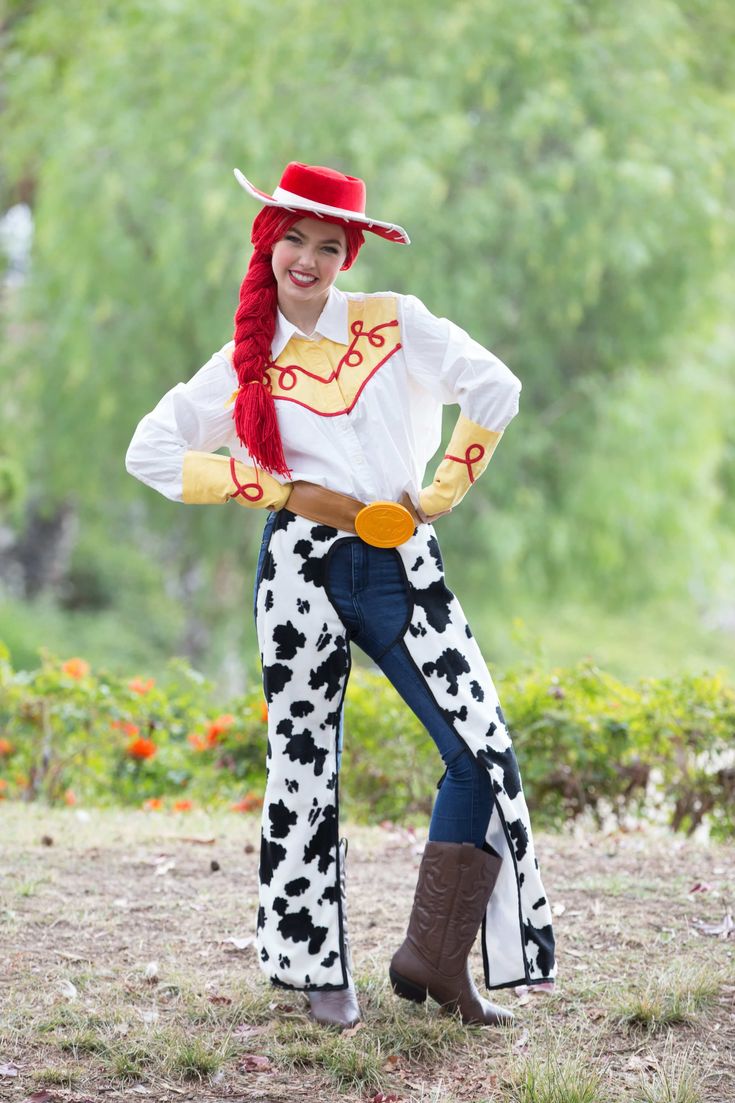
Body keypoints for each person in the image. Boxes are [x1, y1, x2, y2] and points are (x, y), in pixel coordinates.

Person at [125, 161, 556, 1030]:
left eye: (328, 244)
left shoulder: (397, 323)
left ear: (348, 253)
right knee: (302, 763)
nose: (309, 259)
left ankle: (434, 959)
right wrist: (279, 493)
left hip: (401, 563)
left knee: (480, 752)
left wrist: (436, 495)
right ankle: (318, 970)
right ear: (269, 243)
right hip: (299, 570)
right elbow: (150, 450)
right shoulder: (242, 362)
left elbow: (495, 388)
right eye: (294, 239)